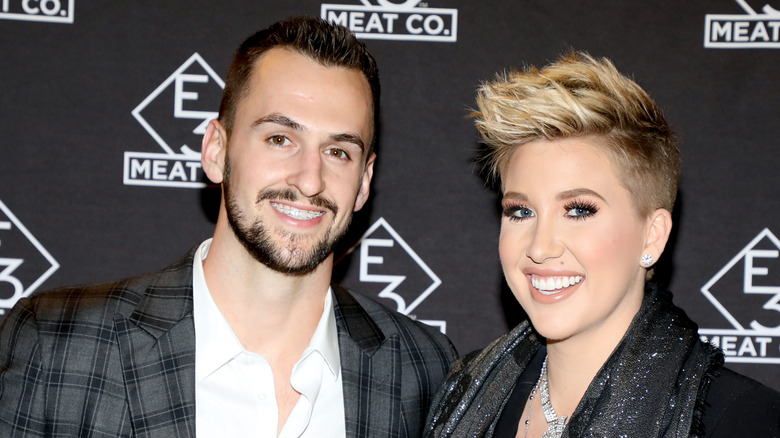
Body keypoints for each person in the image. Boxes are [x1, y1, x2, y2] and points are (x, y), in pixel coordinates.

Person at [0, 16, 456, 437]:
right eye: (281, 139)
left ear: (364, 182)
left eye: (338, 151)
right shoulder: (57, 343)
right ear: (217, 150)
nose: (310, 179)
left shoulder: (424, 370)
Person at [424, 52, 780, 437]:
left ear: (653, 235)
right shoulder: (461, 391)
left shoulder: (742, 419)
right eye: (521, 211)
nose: (540, 248)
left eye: (578, 210)